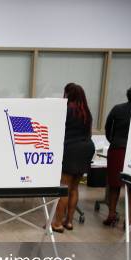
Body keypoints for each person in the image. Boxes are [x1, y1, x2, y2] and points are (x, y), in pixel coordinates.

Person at [51, 83, 95, 233]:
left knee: (63, 187)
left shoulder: (66, 109)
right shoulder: (86, 112)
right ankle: (68, 221)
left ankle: (57, 223)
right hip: (86, 148)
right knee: (74, 188)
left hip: (71, 149)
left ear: (68, 94)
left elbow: (57, 131)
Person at [103, 85, 131, 226]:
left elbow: (108, 128)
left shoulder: (117, 109)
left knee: (114, 185)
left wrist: (114, 141)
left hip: (117, 149)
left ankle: (111, 214)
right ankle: (128, 220)